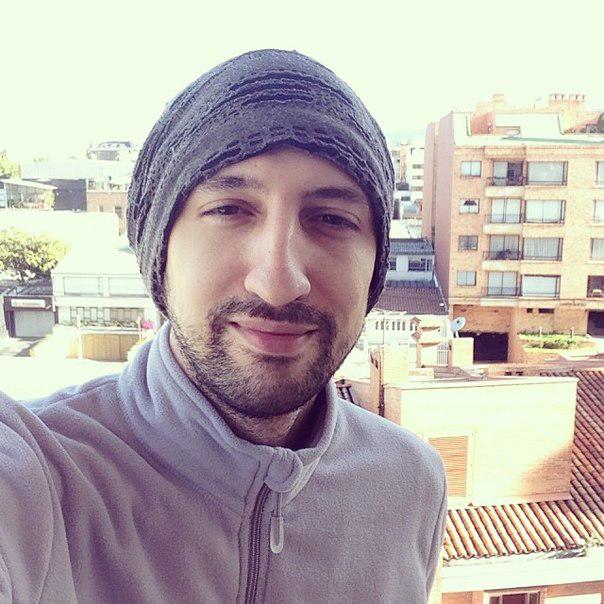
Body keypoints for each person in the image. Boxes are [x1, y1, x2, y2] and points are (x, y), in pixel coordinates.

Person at [0, 49, 447, 603]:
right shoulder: (37, 479)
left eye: (332, 219)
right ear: (160, 248)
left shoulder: (410, 485)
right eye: (230, 209)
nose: (279, 283)